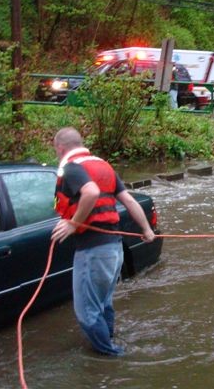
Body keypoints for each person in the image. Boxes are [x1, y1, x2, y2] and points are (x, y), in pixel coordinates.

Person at [50, 127, 156, 356]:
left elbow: (90, 192)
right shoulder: (103, 166)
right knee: (103, 304)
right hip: (114, 249)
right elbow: (128, 200)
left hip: (93, 251)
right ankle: (110, 344)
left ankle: (111, 355)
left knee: (87, 312)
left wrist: (73, 224)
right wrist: (146, 229)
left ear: (60, 148)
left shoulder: (72, 168)